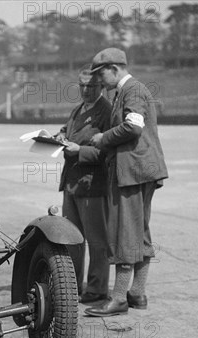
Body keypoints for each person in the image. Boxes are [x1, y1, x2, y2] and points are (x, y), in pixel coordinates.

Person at [82, 48, 168, 317]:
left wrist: (103, 138)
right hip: (142, 170)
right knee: (140, 232)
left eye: (101, 74)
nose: (99, 80)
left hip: (133, 172)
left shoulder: (132, 89)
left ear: (114, 68)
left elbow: (133, 127)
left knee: (124, 234)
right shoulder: (127, 90)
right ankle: (137, 293)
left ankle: (118, 298)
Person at [55, 67, 111, 304]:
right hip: (71, 183)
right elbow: (69, 130)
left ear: (101, 87)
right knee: (72, 239)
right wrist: (59, 135)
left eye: (92, 86)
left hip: (92, 185)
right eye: (82, 86)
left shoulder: (106, 111)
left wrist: (81, 151)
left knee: (97, 240)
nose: (86, 90)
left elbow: (109, 148)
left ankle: (97, 289)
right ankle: (74, 285)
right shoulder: (78, 109)